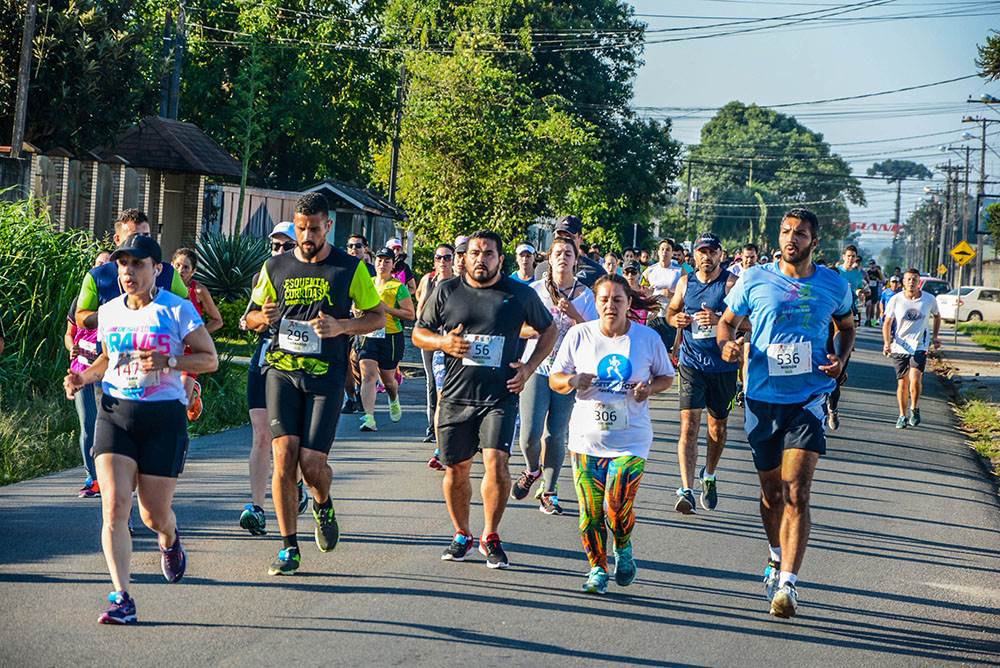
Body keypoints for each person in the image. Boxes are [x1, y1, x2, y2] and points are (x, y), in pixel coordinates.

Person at [62, 234, 218, 625]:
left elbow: (209, 359)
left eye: (137, 264)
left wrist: (169, 361)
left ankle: (170, 538)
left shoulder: (178, 309)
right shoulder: (109, 311)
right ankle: (122, 598)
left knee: (153, 515)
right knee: (115, 507)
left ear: (156, 269)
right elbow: (107, 359)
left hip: (163, 418)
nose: (128, 271)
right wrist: (83, 377)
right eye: (122, 264)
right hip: (115, 413)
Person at [717, 208, 854, 619]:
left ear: (815, 241)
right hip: (762, 398)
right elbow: (727, 323)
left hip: (809, 398)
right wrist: (727, 345)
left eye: (800, 233)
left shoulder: (834, 284)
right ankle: (775, 554)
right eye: (786, 231)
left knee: (796, 491)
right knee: (771, 494)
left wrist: (841, 359)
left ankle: (788, 584)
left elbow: (846, 327)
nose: (791, 238)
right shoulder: (754, 278)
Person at [246, 193, 384, 576]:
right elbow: (251, 316)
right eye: (301, 229)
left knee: (311, 465)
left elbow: (377, 317)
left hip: (327, 375)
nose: (307, 237)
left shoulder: (349, 268)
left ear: (328, 226)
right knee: (283, 455)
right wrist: (263, 317)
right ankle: (288, 547)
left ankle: (323, 503)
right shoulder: (275, 266)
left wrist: (342, 326)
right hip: (282, 370)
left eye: (315, 229)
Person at [413, 230, 557, 569]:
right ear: (465, 258)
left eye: (488, 253)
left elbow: (549, 329)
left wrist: (529, 368)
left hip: (499, 396)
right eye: (475, 253)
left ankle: (490, 535)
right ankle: (462, 534)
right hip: (456, 397)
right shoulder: (446, 291)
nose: (481, 259)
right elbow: (419, 333)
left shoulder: (518, 293)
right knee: (456, 470)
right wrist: (443, 343)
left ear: (500, 259)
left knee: (496, 463)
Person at [549, 274, 674, 593]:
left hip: (631, 440)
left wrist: (649, 389)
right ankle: (597, 569)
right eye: (604, 300)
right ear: (596, 302)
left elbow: (666, 377)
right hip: (585, 440)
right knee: (590, 513)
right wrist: (573, 381)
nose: (610, 306)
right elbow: (555, 378)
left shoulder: (647, 338)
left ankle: (623, 546)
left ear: (629, 303)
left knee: (616, 509)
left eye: (617, 300)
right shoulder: (579, 335)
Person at [513, 237, 599, 515]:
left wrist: (574, 314)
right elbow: (518, 327)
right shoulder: (534, 291)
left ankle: (549, 491)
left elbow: (595, 336)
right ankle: (532, 469)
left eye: (568, 253)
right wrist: (539, 330)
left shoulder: (585, 295)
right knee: (529, 435)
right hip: (536, 367)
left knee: (555, 435)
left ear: (576, 260)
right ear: (549, 259)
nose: (563, 257)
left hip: (568, 373)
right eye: (558, 253)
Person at [238, 222, 310, 536]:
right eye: (275, 246)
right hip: (265, 358)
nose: (279, 251)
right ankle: (257, 507)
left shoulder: (311, 278)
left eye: (286, 245)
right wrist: (257, 319)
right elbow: (247, 319)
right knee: (261, 435)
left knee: (291, 441)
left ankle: (296, 483)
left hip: (298, 364)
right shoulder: (263, 276)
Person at [665, 233, 742, 514]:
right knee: (689, 425)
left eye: (711, 252)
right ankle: (686, 490)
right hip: (691, 362)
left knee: (717, 428)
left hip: (723, 365)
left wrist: (720, 320)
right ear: (694, 255)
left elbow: (749, 321)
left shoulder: (732, 284)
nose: (706, 257)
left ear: (721, 254)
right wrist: (677, 319)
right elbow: (671, 311)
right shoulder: (686, 282)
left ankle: (708, 474)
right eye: (701, 252)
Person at [74, 209, 188, 330]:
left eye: (146, 235)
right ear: (117, 240)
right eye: (134, 236)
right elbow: (80, 317)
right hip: (114, 341)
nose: (141, 242)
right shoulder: (98, 276)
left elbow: (187, 308)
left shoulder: (168, 272)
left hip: (158, 340)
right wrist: (108, 315)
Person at [65, 249, 112, 497]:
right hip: (82, 366)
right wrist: (71, 346)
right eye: (98, 263)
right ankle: (92, 478)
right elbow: (69, 334)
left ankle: (112, 477)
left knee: (108, 425)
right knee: (87, 424)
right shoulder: (80, 302)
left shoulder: (118, 302)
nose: (101, 267)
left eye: (106, 263)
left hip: (108, 370)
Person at [358, 247, 415, 431]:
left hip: (390, 336)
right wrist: (357, 310)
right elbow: (356, 305)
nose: (382, 264)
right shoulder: (368, 283)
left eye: (386, 261)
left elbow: (410, 314)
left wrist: (387, 309)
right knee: (368, 374)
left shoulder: (399, 287)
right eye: (379, 260)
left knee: (388, 380)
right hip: (369, 334)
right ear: (374, 262)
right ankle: (369, 418)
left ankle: (393, 398)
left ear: (392, 265)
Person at [882, 268, 941, 429]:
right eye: (908, 279)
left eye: (914, 279)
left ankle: (914, 407)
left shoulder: (929, 299)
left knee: (915, 379)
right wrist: (886, 342)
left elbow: (937, 316)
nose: (911, 282)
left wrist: (935, 336)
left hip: (919, 345)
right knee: (903, 383)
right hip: (900, 345)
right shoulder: (896, 299)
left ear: (919, 282)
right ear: (903, 281)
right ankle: (902, 415)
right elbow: (887, 322)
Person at [170, 248, 224, 421]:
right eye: (177, 265)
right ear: (171, 265)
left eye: (186, 267)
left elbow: (217, 321)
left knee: (184, 402)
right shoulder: (163, 289)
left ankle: (194, 393)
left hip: (190, 352)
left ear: (193, 271)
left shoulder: (199, 291)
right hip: (167, 349)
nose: (180, 270)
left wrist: (196, 336)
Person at [416, 243, 456, 444]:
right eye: (439, 258)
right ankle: (433, 428)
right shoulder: (428, 280)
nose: (442, 262)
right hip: (432, 337)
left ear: (453, 260)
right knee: (432, 382)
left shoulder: (458, 282)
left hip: (452, 337)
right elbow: (420, 308)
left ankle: (453, 426)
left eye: (447, 258)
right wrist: (428, 323)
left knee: (453, 381)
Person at [341, 233, 374, 415]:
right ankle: (351, 398)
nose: (354, 249)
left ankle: (362, 393)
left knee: (358, 359)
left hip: (363, 322)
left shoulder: (372, 271)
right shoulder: (342, 268)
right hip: (344, 320)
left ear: (365, 248)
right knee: (346, 361)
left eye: (358, 246)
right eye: (350, 246)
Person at [533, 215, 605, 287]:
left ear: (581, 238)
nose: (564, 242)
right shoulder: (542, 269)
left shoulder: (596, 271)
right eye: (559, 237)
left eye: (569, 237)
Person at [643, 239, 685, 354]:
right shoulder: (651, 270)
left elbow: (687, 292)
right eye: (662, 249)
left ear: (671, 253)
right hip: (654, 314)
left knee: (667, 352)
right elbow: (640, 287)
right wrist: (647, 292)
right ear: (658, 252)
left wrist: (672, 295)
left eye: (667, 250)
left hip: (670, 315)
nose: (664, 252)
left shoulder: (679, 270)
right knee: (651, 350)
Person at [622, 260, 655, 325]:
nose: (630, 275)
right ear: (623, 274)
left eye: (633, 272)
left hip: (641, 327)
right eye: (627, 272)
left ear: (639, 273)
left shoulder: (646, 291)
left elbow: (653, 309)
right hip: (625, 328)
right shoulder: (620, 291)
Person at [865, 260, 884, 327]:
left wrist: (879, 280)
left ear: (875, 264)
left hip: (875, 291)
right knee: (868, 305)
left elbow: (883, 280)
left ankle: (872, 320)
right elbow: (864, 279)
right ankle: (868, 319)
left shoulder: (878, 272)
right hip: (868, 290)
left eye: (873, 264)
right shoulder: (867, 272)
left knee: (873, 306)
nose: (872, 265)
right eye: (870, 264)